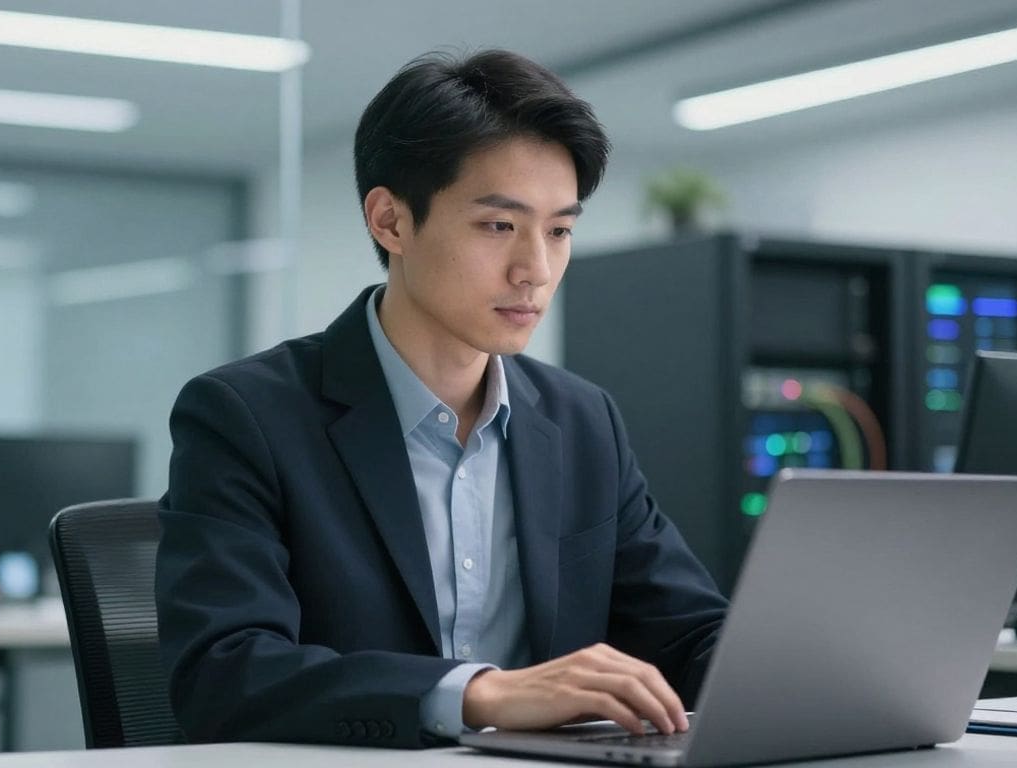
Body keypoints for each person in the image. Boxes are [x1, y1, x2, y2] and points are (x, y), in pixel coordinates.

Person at [156, 49, 728, 749]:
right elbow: (224, 674)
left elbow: (689, 633)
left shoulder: (582, 421)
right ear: (390, 221)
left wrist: (812, 671)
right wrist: (479, 694)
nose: (535, 270)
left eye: (559, 231)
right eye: (499, 226)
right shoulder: (246, 415)